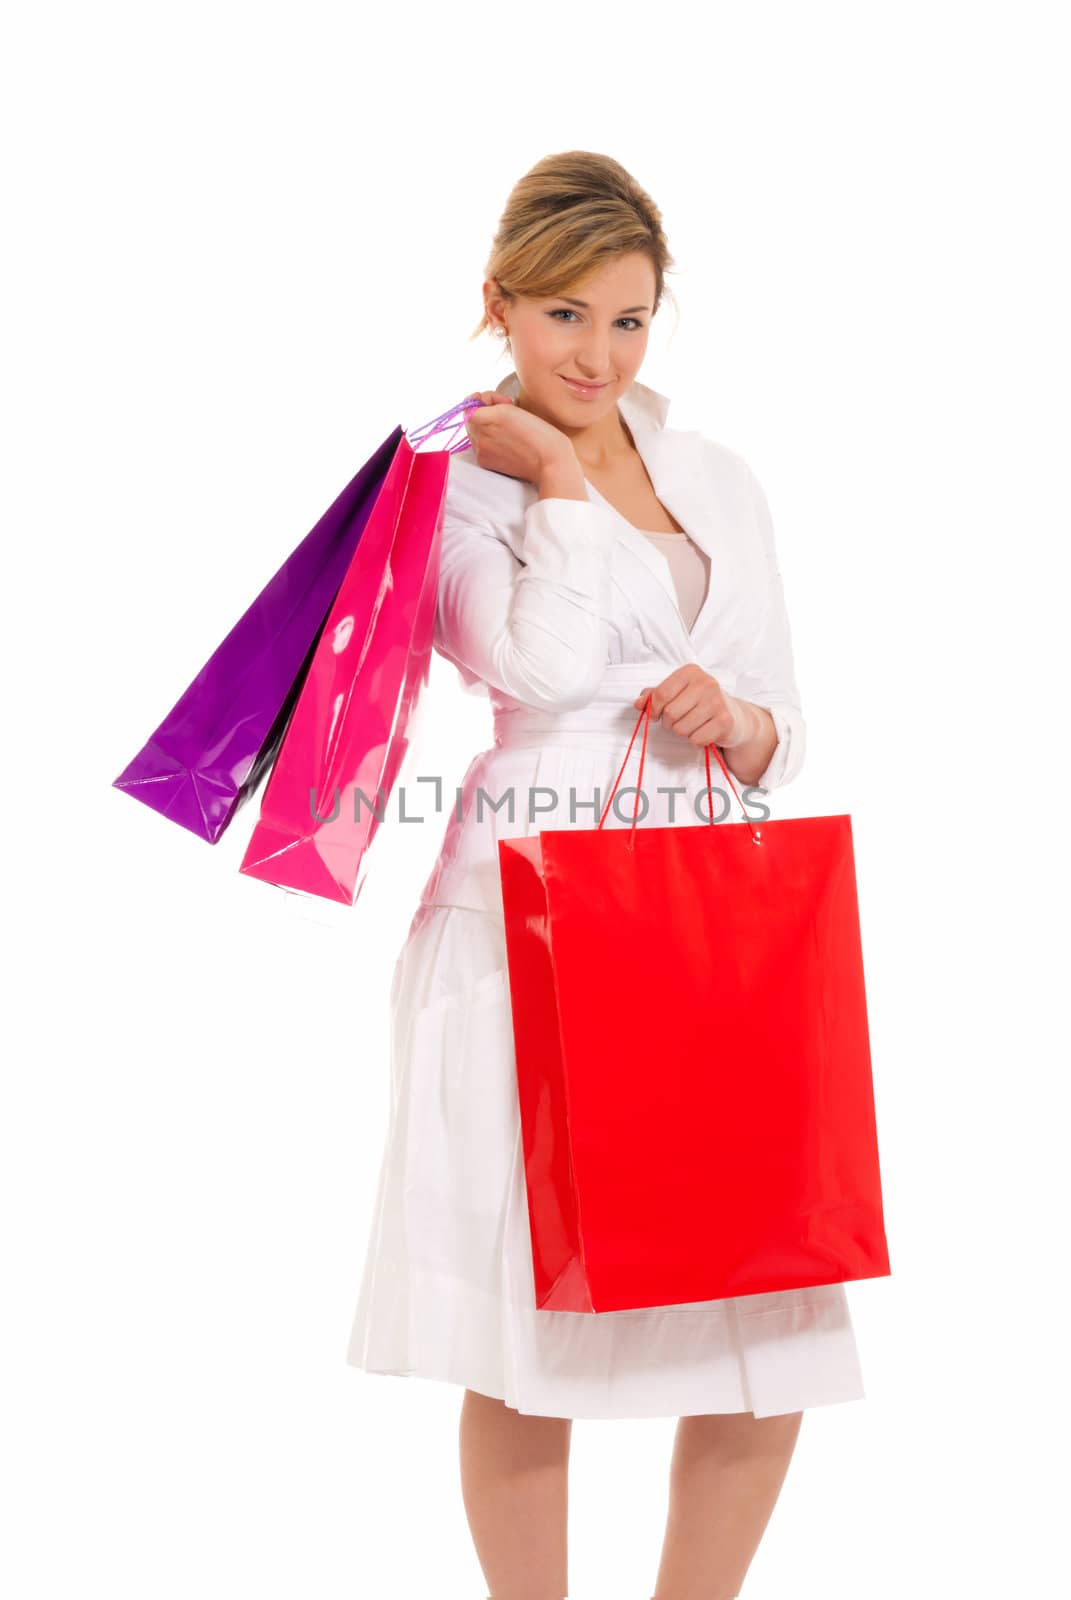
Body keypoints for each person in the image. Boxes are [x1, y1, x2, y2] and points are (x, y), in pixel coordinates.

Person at [346, 150, 865, 1600]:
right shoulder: (448, 486)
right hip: (529, 925)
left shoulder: (719, 477)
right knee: (532, 1332)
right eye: (566, 317)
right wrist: (564, 481)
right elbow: (541, 664)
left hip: (713, 933)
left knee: (776, 1328)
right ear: (500, 307)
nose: (597, 352)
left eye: (629, 319)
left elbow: (786, 719)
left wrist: (743, 721)